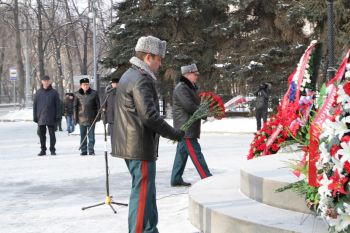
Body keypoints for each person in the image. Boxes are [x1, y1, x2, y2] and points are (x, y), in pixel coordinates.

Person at [111, 36, 184, 233]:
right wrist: (175, 134)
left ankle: (150, 229)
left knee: (147, 191)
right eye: (159, 59)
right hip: (138, 145)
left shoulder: (130, 75)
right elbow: (150, 116)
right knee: (142, 192)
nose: (161, 64)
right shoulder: (141, 79)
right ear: (149, 57)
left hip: (132, 144)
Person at [171, 64, 212, 187]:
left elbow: (195, 105)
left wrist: (207, 110)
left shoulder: (190, 87)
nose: (197, 77)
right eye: (195, 74)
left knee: (181, 154)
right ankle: (207, 178)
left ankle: (176, 178)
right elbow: (189, 106)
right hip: (186, 128)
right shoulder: (181, 88)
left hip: (188, 126)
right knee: (196, 153)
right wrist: (205, 115)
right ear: (187, 74)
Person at [33, 75, 60, 156]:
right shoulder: (38, 93)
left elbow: (58, 105)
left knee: (52, 135)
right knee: (42, 135)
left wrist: (58, 116)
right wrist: (35, 117)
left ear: (49, 81)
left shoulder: (54, 92)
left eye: (47, 81)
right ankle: (43, 149)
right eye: (44, 81)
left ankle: (52, 149)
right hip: (41, 117)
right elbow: (35, 106)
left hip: (51, 117)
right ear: (42, 82)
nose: (46, 82)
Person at [74, 78, 100, 156]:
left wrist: (98, 116)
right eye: (84, 85)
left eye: (87, 84)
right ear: (81, 85)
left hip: (92, 118)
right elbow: (75, 107)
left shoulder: (94, 93)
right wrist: (75, 118)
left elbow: (98, 105)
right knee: (83, 135)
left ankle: (91, 150)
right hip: (81, 118)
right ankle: (84, 150)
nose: (86, 86)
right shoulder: (77, 94)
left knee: (91, 135)